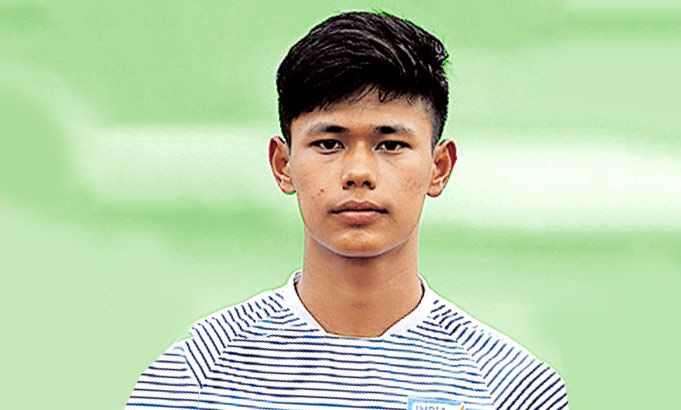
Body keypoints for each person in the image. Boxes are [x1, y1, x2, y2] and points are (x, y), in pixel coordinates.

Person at [126, 11, 568, 410]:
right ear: (283, 164)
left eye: (390, 144)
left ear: (439, 167)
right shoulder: (192, 380)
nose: (359, 172)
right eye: (328, 143)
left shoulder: (514, 389)